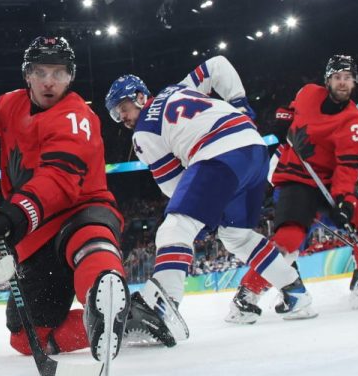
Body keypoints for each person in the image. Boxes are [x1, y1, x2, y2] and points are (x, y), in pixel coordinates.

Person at [0, 36, 130, 363]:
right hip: (35, 236)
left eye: (58, 73)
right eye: (40, 72)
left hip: (80, 211)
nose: (49, 82)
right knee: (25, 338)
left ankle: (105, 298)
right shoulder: (15, 102)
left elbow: (59, 179)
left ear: (70, 77)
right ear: (27, 74)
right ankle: (122, 322)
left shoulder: (77, 117)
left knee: (90, 243)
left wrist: (15, 215)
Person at [105, 72, 315, 344]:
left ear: (140, 97)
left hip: (217, 152)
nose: (122, 117)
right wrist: (240, 105)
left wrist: (203, 213)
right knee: (236, 236)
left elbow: (173, 185)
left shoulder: (143, 132)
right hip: (254, 148)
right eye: (115, 114)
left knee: (175, 227)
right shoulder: (178, 86)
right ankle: (295, 293)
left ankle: (161, 307)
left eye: (122, 108)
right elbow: (217, 66)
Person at [228, 55, 358, 321]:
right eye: (337, 78)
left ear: (355, 82)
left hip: (328, 187)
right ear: (327, 80)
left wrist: (344, 200)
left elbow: (347, 168)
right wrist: (283, 121)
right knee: (290, 239)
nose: (343, 83)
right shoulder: (308, 93)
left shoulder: (355, 122)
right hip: (295, 180)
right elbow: (289, 110)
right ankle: (246, 296)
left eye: (348, 78)